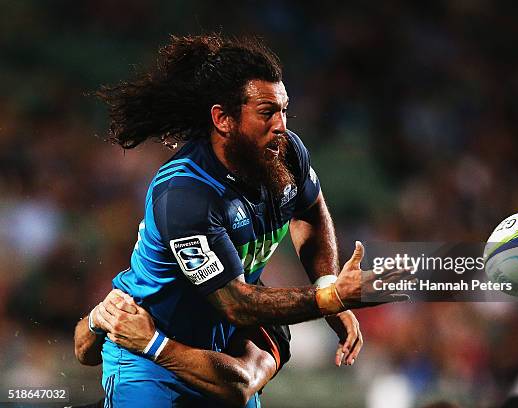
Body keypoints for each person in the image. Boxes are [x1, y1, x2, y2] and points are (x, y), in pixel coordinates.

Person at [87, 33, 397, 407]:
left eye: (284, 110)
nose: (281, 125)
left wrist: (327, 280)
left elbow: (310, 212)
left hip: (221, 347)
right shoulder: (186, 193)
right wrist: (329, 298)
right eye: (267, 112)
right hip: (147, 346)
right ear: (223, 118)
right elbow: (235, 302)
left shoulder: (285, 152)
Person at [75, 288, 289, 407]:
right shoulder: (155, 282)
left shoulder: (262, 309)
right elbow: (83, 352)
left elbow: (242, 384)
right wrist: (98, 317)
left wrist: (153, 344)